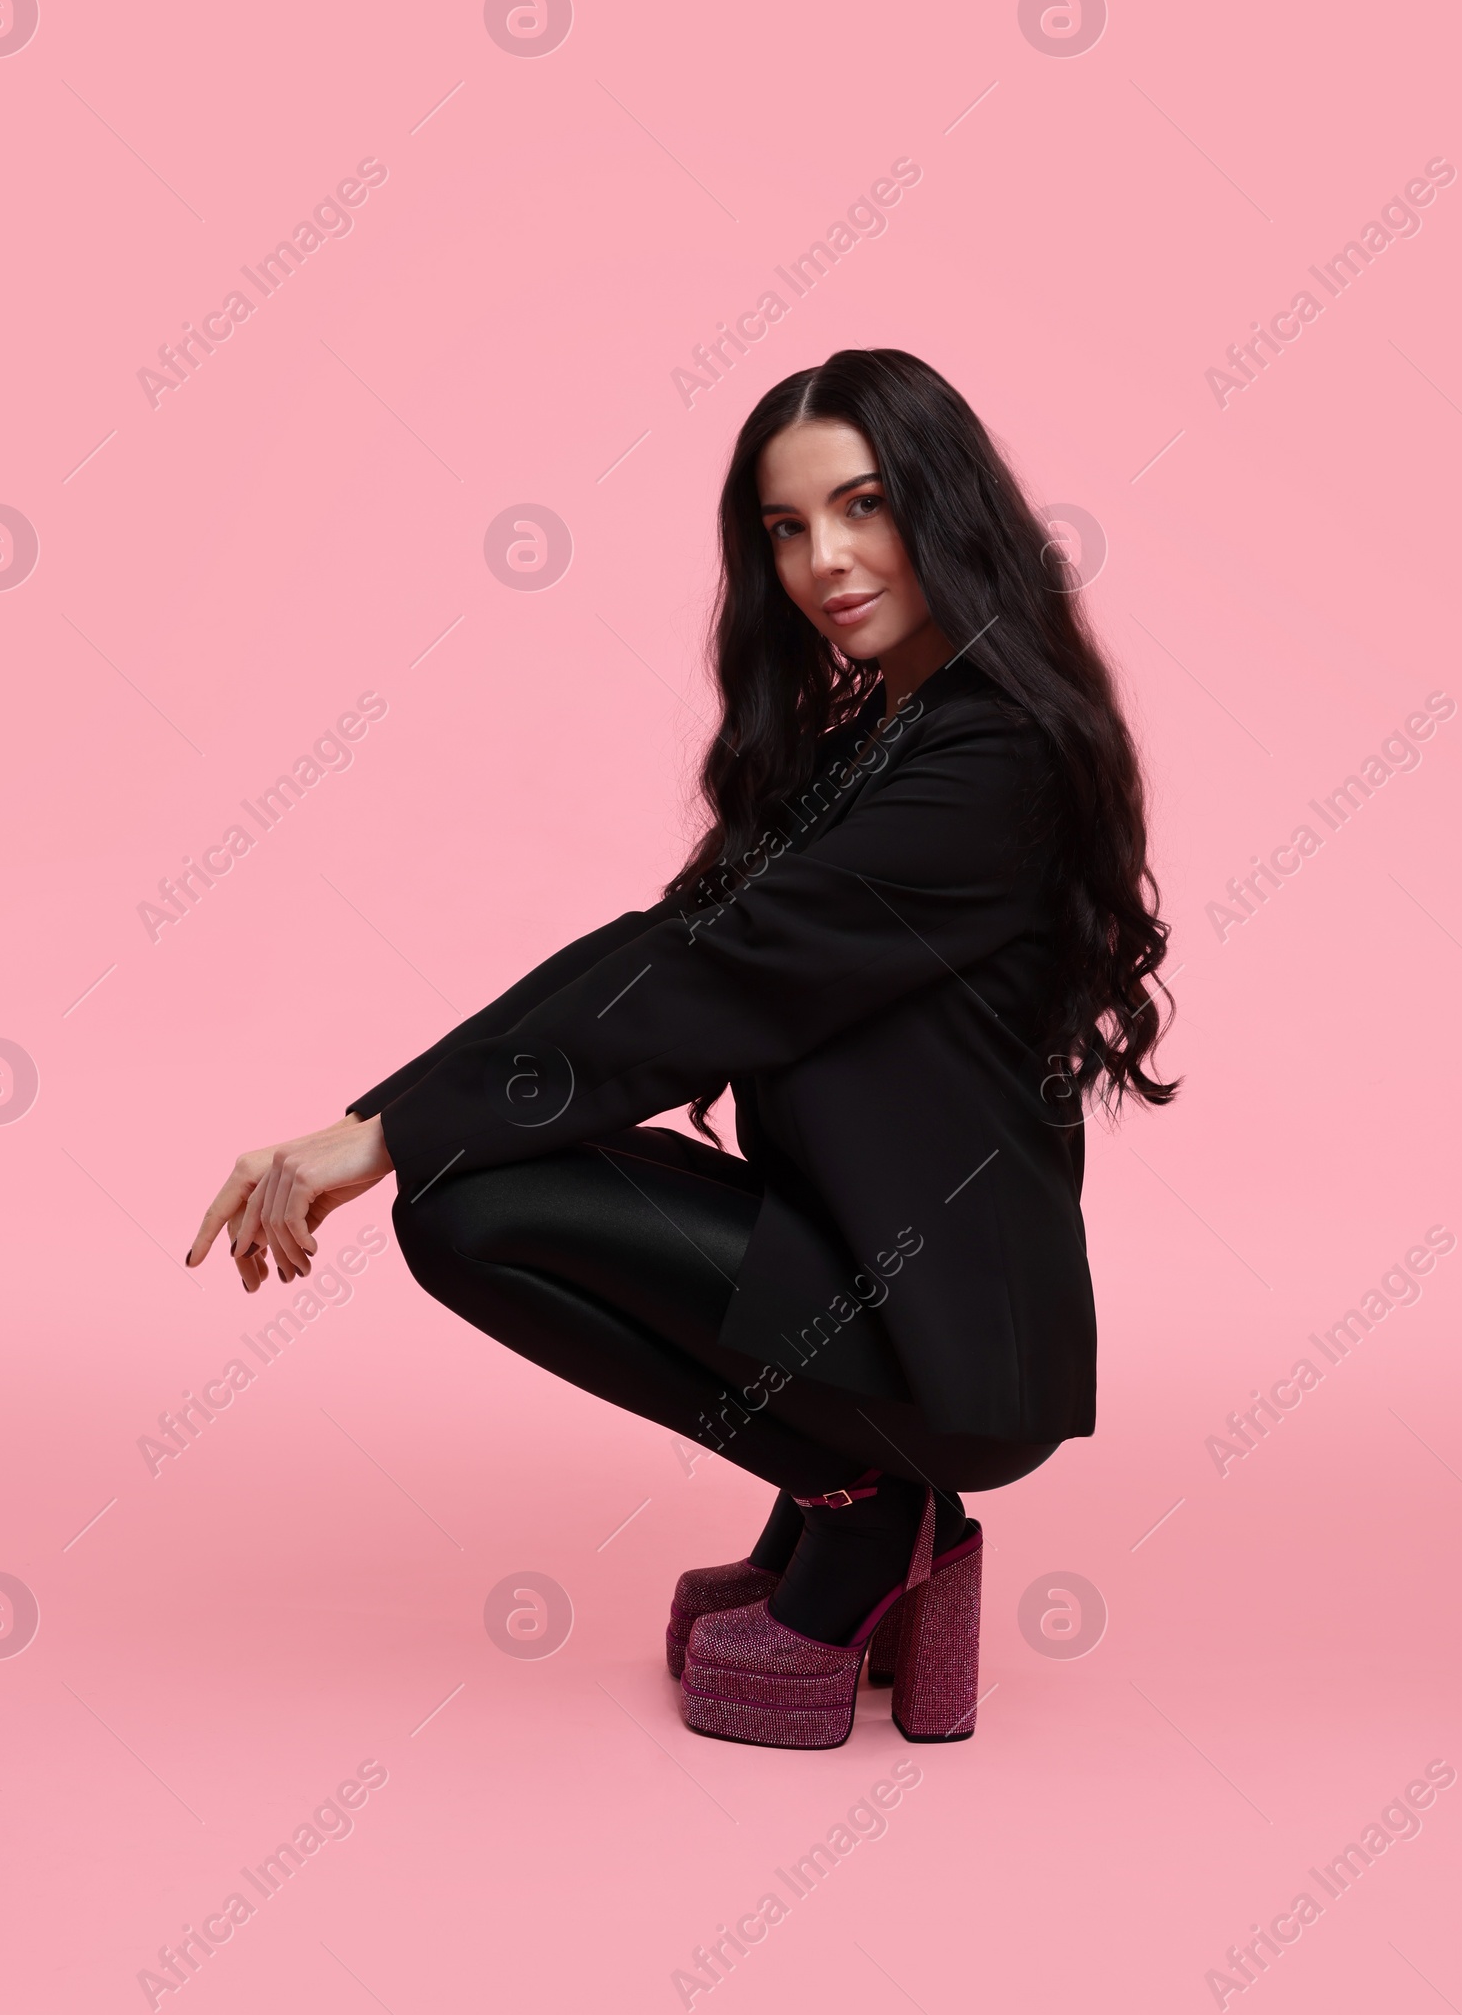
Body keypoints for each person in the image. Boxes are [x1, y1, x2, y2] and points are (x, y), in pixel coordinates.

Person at [187, 347, 1177, 1750]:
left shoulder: (987, 758)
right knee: (461, 1183)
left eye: (864, 507)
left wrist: (392, 1141)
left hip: (948, 1341)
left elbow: (711, 981)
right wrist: (377, 1117)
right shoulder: (879, 734)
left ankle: (866, 1508)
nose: (825, 560)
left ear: (947, 510)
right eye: (786, 529)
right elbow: (657, 943)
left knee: (474, 1208)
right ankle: (868, 1510)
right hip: (868, 1274)